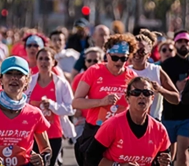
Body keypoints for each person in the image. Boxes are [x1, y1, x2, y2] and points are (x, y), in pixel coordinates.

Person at [72, 33, 137, 166]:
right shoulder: (94, 71)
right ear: (107, 55)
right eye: (115, 58)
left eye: (123, 58)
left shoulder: (131, 76)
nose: (119, 62)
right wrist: (101, 102)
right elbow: (76, 102)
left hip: (121, 132)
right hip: (96, 129)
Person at [0, 56, 52, 166]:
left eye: (19, 74)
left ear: (26, 80)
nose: (14, 78)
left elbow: (46, 149)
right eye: (9, 73)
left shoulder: (35, 114)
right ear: (0, 79)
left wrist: (42, 158)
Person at [86, 76, 171, 166]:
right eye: (136, 93)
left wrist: (164, 163)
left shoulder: (159, 130)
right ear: (127, 98)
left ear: (152, 98)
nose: (141, 96)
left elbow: (163, 160)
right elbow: (91, 157)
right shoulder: (112, 124)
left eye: (146, 93)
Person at [25, 47, 76, 166]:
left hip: (53, 134)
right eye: (41, 59)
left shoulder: (61, 83)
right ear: (36, 61)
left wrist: (52, 106)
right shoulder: (29, 83)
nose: (43, 62)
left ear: (53, 62)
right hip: (32, 134)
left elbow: (71, 108)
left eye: (47, 59)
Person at [129, 29, 179, 121]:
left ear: (148, 54)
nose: (137, 55)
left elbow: (176, 98)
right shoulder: (125, 71)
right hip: (129, 122)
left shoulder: (156, 70)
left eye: (141, 51)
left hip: (153, 122)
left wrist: (160, 89)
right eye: (133, 51)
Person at [161, 29, 189, 165]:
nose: (183, 44)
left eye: (186, 41)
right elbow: (161, 87)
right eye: (180, 41)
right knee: (167, 155)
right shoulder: (167, 65)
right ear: (175, 43)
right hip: (169, 115)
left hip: (187, 117)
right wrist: (176, 87)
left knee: (182, 153)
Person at [71, 46, 105, 141]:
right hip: (82, 120)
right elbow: (73, 98)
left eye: (95, 61)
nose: (92, 63)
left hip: (101, 121)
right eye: (89, 60)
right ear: (85, 62)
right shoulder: (79, 78)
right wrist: (75, 110)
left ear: (102, 61)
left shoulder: (107, 78)